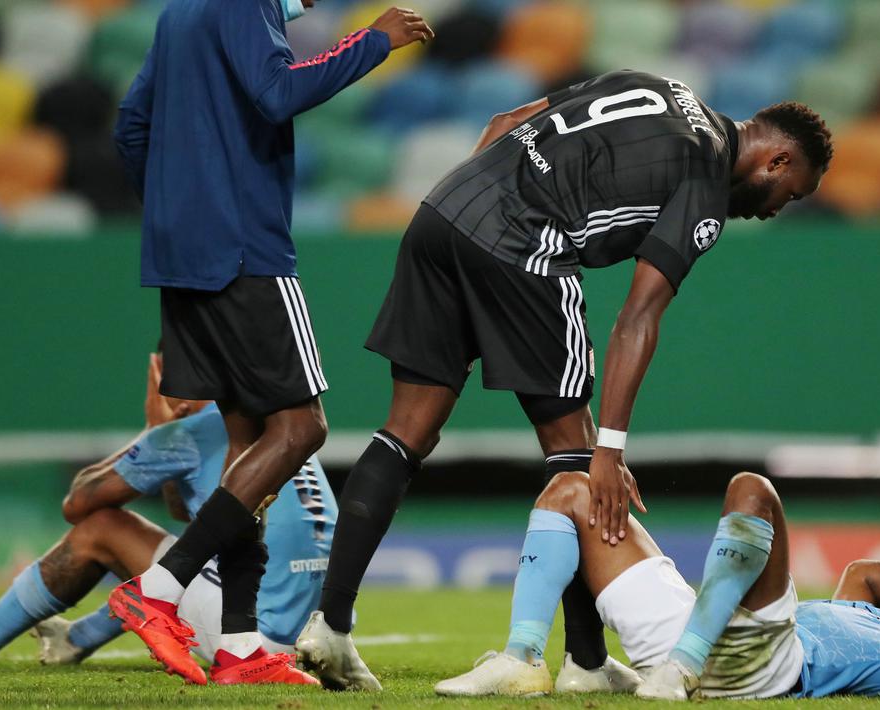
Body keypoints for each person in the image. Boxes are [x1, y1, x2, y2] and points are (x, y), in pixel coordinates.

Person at [296, 69, 833, 691]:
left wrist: (471, 222)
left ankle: (331, 628)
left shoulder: (657, 84)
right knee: (576, 457)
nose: (773, 212)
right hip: (523, 241)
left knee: (406, 430)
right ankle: (581, 662)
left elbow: (505, 124)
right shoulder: (705, 179)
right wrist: (613, 447)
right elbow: (638, 317)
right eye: (790, 194)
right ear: (777, 159)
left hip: (445, 210)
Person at [107, 0, 431, 686]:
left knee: (247, 445)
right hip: (243, 251)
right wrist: (372, 43)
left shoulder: (179, 14)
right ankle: (160, 589)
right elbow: (277, 93)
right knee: (299, 429)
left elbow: (132, 126)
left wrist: (178, 207)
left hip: (182, 252)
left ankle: (240, 643)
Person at [0, 351, 338, 685]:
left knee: (104, 529)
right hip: (315, 632)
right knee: (186, 549)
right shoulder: (278, 430)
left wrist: (154, 428)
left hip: (255, 634)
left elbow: (78, 502)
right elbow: (185, 512)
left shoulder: (189, 432)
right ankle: (75, 640)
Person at [436, 472, 880, 699]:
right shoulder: (868, 612)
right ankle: (521, 658)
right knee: (574, 491)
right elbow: (873, 575)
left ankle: (679, 671)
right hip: (699, 633)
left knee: (753, 492)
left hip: (763, 667)